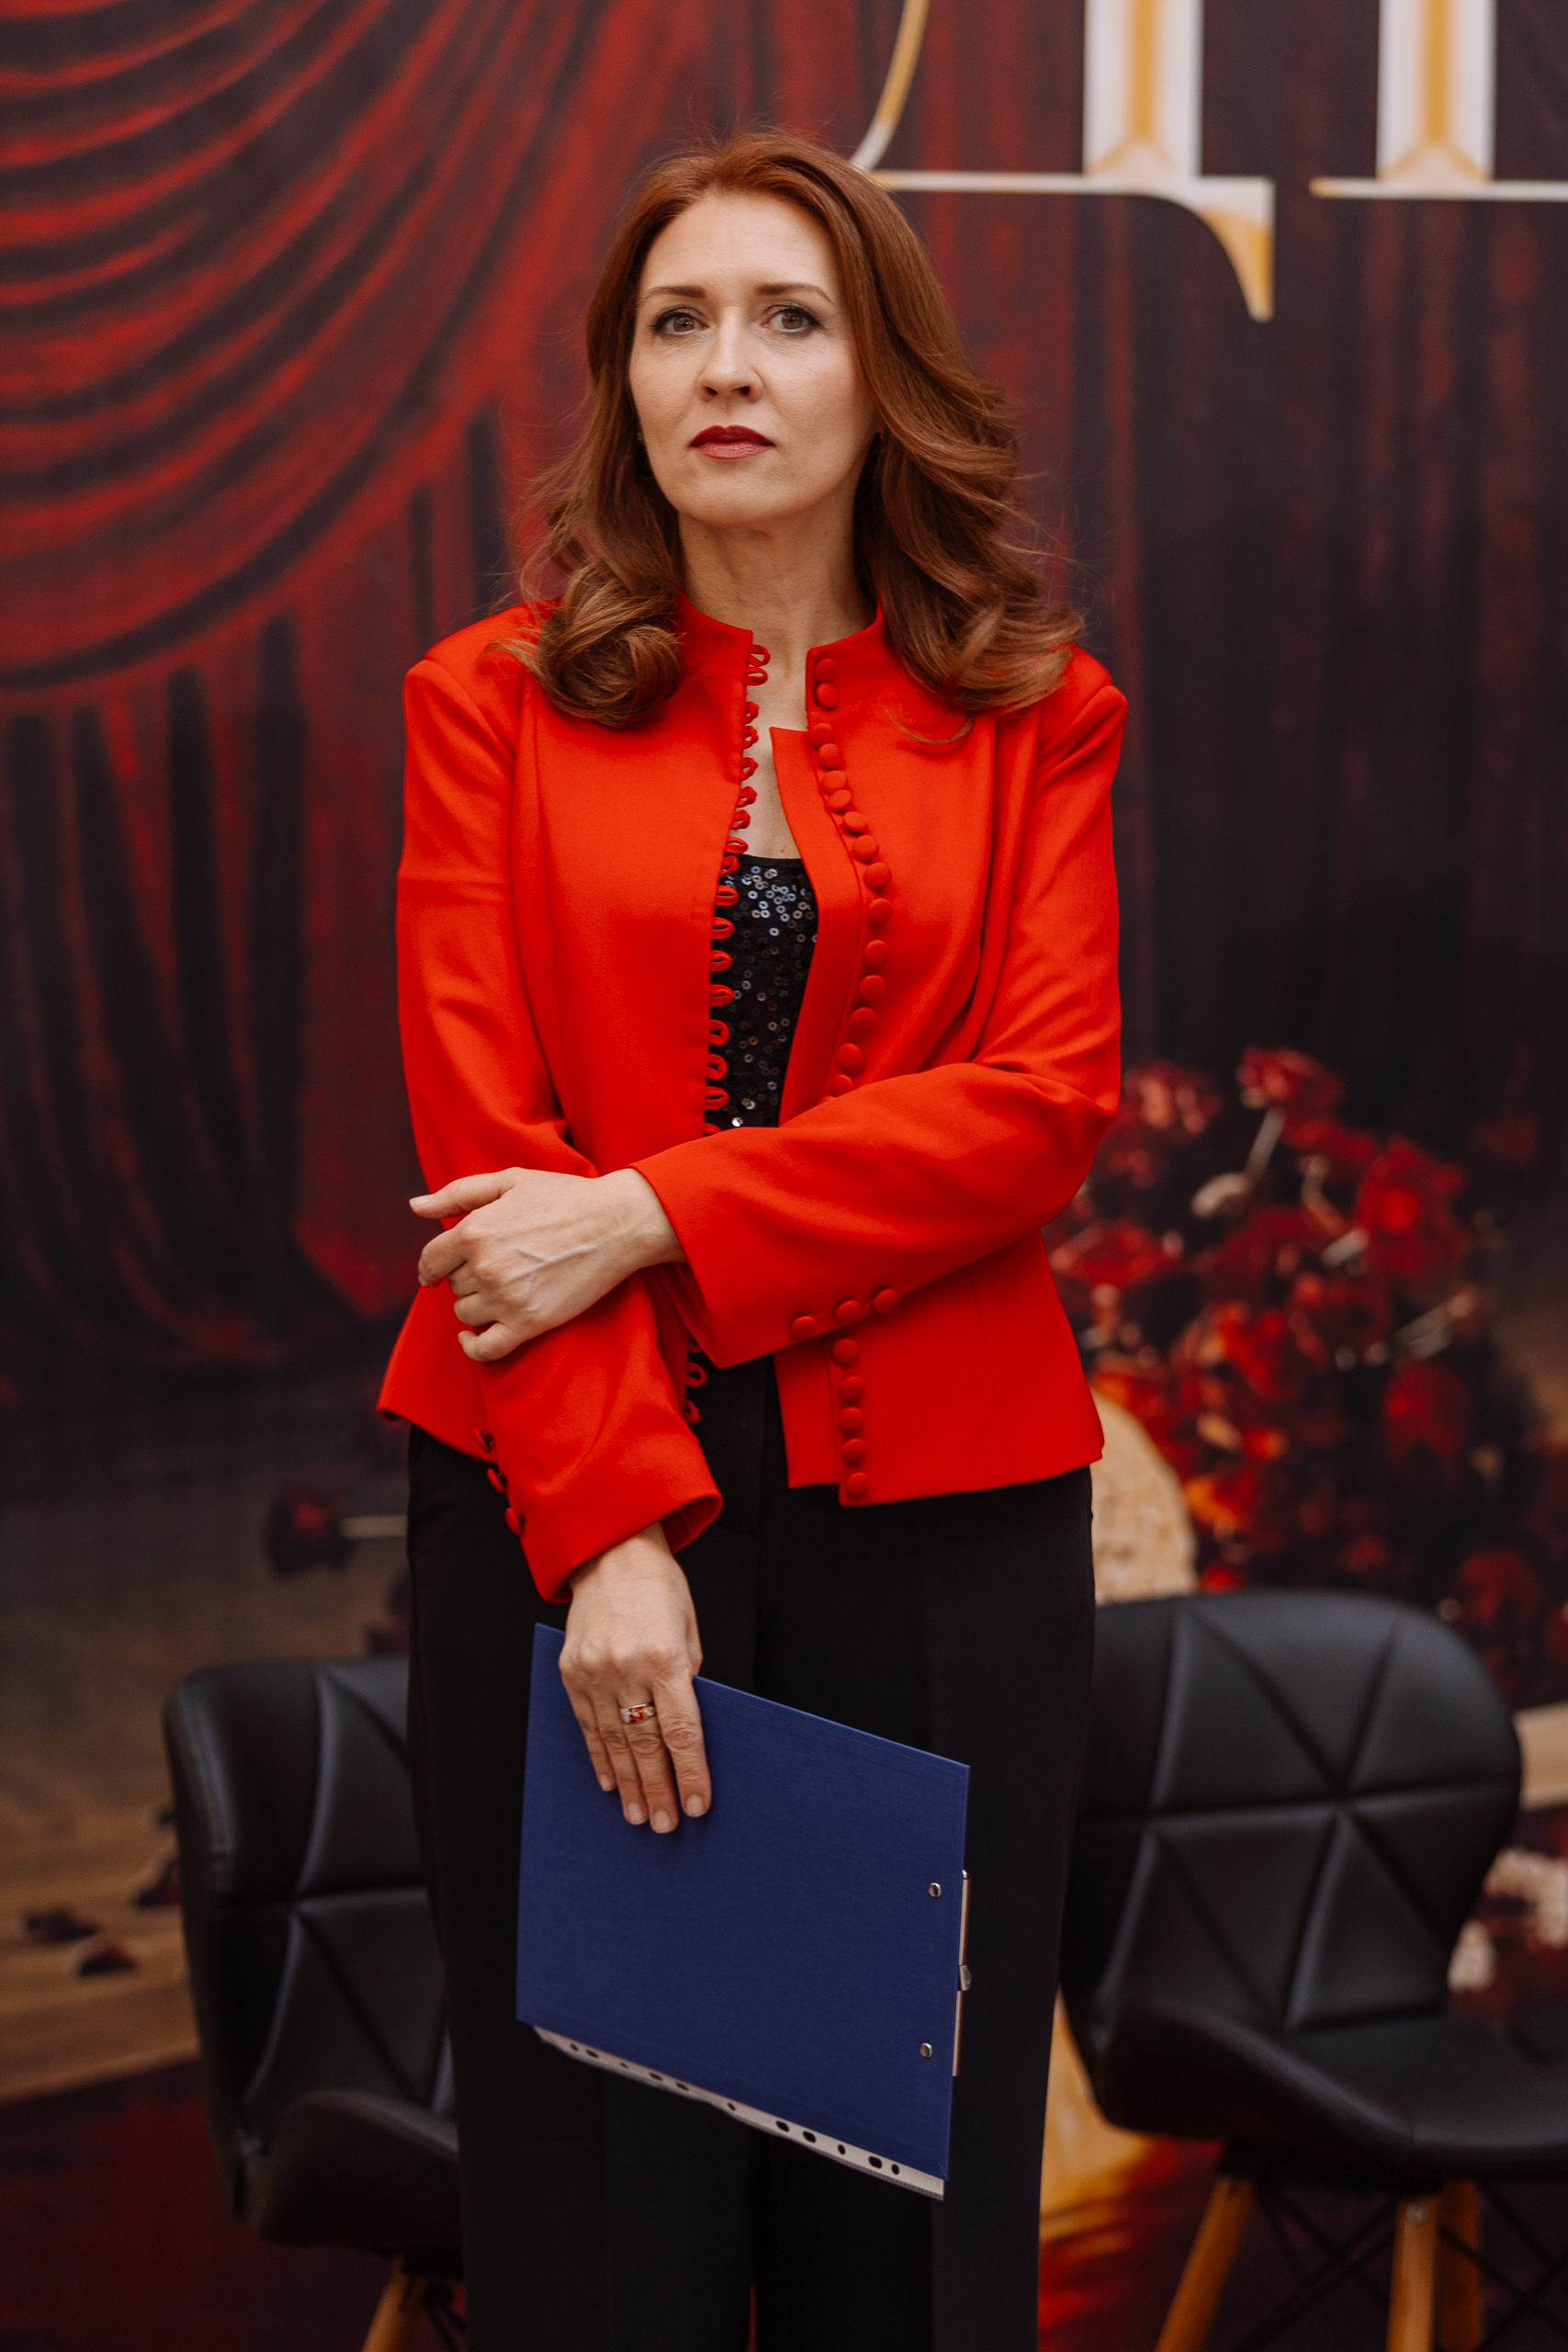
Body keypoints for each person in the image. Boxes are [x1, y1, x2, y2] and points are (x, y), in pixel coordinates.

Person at [378, 127, 1124, 2352]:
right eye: (674, 321)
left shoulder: (1037, 714)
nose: (724, 365)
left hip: (947, 1532)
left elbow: (1033, 1109)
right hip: (562, 1498)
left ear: (881, 377)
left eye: (788, 318)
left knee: (907, 2216)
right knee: (602, 2224)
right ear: (621, 381)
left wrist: (644, 1209)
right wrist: (608, 1536)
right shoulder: (484, 701)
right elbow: (483, 1164)